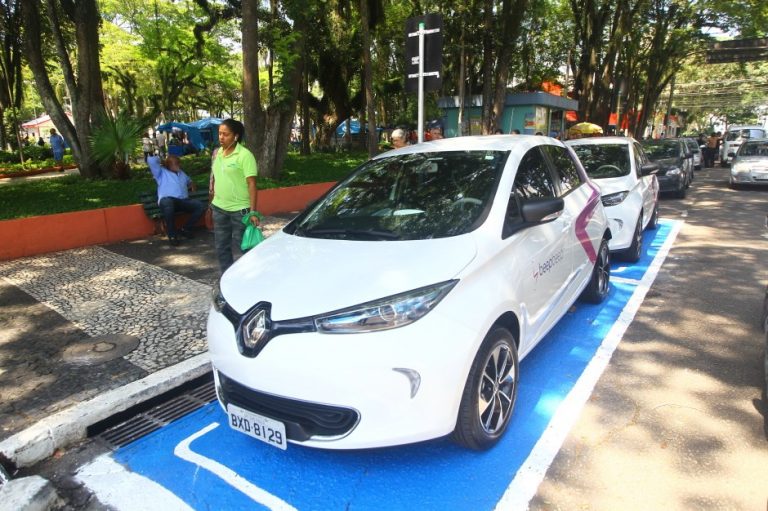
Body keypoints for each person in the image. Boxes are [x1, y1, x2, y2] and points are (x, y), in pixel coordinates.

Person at [210, 118, 259, 272]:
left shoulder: (245, 155)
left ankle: (252, 277)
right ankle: (227, 278)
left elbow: (252, 184)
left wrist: (253, 211)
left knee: (245, 248)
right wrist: (209, 205)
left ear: (236, 136)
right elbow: (213, 179)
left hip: (240, 211)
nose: (221, 137)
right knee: (221, 248)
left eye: (226, 134)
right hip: (219, 209)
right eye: (220, 134)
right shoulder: (217, 153)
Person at [148, 155, 206, 246]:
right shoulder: (161, 172)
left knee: (199, 205)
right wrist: (160, 159)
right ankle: (172, 235)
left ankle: (186, 229)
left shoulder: (181, 173)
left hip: (182, 202)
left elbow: (189, 180)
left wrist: (191, 184)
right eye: (175, 163)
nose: (178, 164)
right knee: (168, 202)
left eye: (178, 162)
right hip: (167, 201)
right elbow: (151, 161)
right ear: (168, 164)